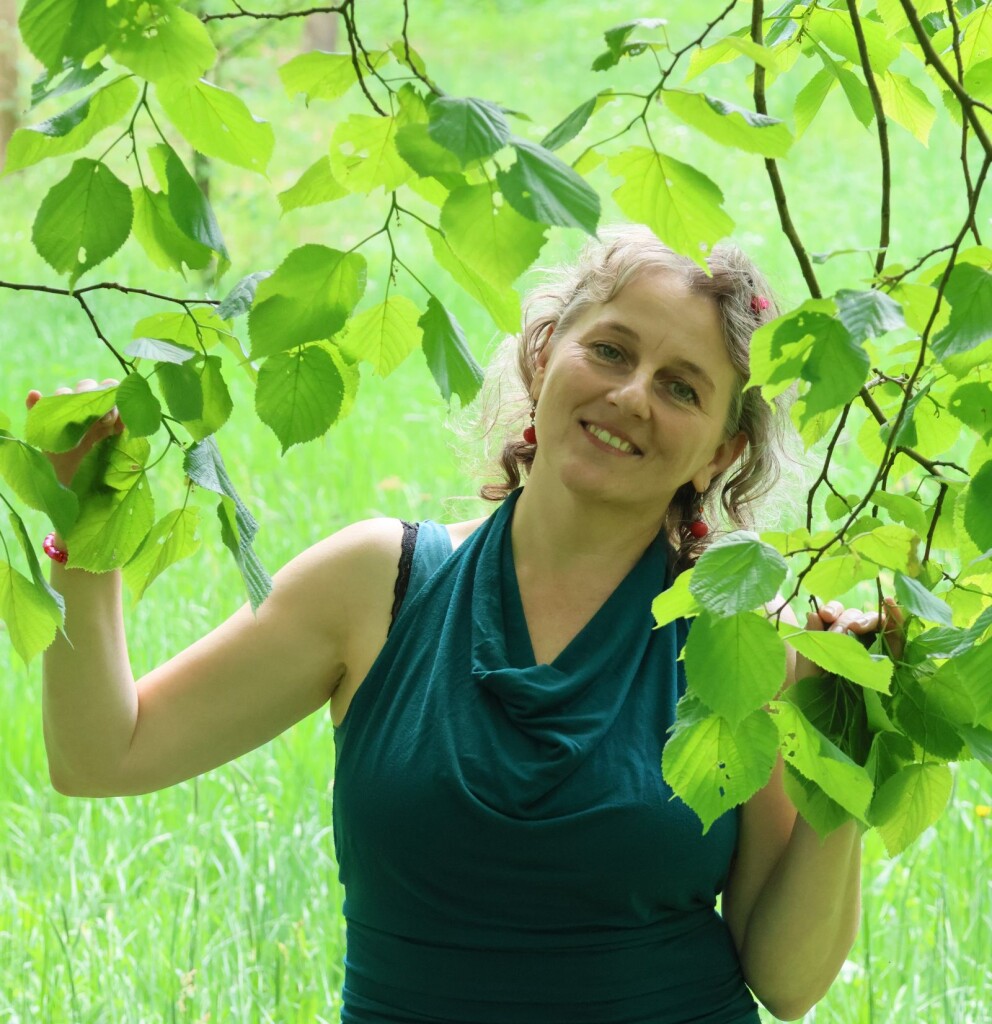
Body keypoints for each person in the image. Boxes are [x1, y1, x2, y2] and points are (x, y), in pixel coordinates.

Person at [31, 225, 897, 1024]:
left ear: (720, 453)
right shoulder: (377, 585)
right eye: (610, 350)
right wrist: (89, 533)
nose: (632, 395)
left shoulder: (741, 639)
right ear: (544, 356)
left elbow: (786, 983)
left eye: (682, 387)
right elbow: (104, 755)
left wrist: (846, 752)